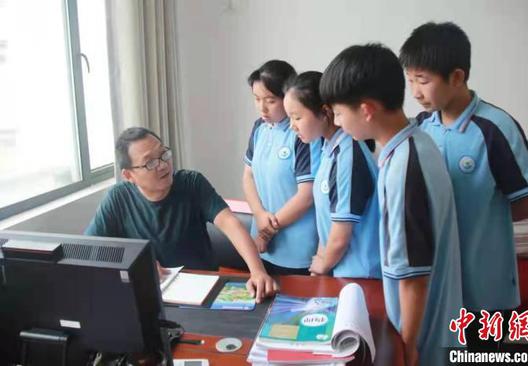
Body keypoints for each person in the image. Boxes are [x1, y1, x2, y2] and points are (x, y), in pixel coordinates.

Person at [400, 21, 528, 351]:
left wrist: (483, 215)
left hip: (486, 290)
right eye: (411, 81)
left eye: (423, 81)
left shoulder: (496, 127)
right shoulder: (421, 127)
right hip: (437, 283)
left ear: (457, 76)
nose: (416, 93)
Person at [319, 43, 463, 365]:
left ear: (367, 109)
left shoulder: (404, 167)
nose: (338, 122)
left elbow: (413, 279)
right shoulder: (413, 144)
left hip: (425, 340)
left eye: (340, 113)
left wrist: (407, 349)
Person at [85, 127, 278, 303]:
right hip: (151, 295)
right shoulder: (118, 198)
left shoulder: (191, 183)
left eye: (163, 154)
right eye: (150, 163)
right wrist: (137, 263)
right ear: (128, 175)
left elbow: (229, 222)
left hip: (204, 291)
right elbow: (90, 249)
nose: (162, 165)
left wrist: (257, 271)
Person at [283, 71, 381, 278]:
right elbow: (328, 220)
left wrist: (322, 265)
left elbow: (340, 236)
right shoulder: (328, 149)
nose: (292, 126)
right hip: (339, 271)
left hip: (361, 276)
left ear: (325, 112)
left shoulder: (348, 155)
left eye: (297, 117)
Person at [243, 60, 322, 275]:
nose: (262, 107)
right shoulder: (260, 128)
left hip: (296, 247)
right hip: (261, 243)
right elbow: (248, 176)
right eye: (257, 99)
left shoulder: (303, 133)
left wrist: (267, 232)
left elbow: (306, 196)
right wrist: (259, 214)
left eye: (270, 100)